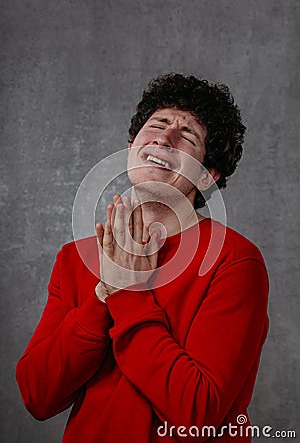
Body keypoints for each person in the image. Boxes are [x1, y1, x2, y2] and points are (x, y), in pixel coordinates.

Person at [16, 73, 269, 442]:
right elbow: (37, 395)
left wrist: (130, 293)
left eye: (187, 136)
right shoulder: (74, 258)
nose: (164, 139)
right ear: (134, 144)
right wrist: (105, 293)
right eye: (157, 126)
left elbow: (197, 413)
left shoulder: (235, 261)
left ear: (206, 176)